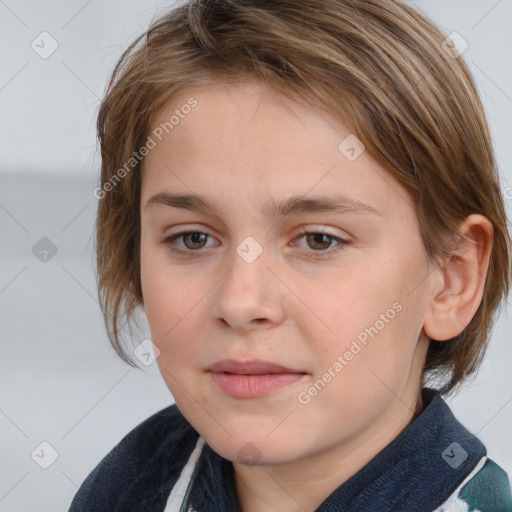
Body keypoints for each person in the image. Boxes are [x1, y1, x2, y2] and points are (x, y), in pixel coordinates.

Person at [69, 0, 512, 510]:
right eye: (193, 238)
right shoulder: (130, 486)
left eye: (319, 240)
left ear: (450, 279)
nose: (240, 302)